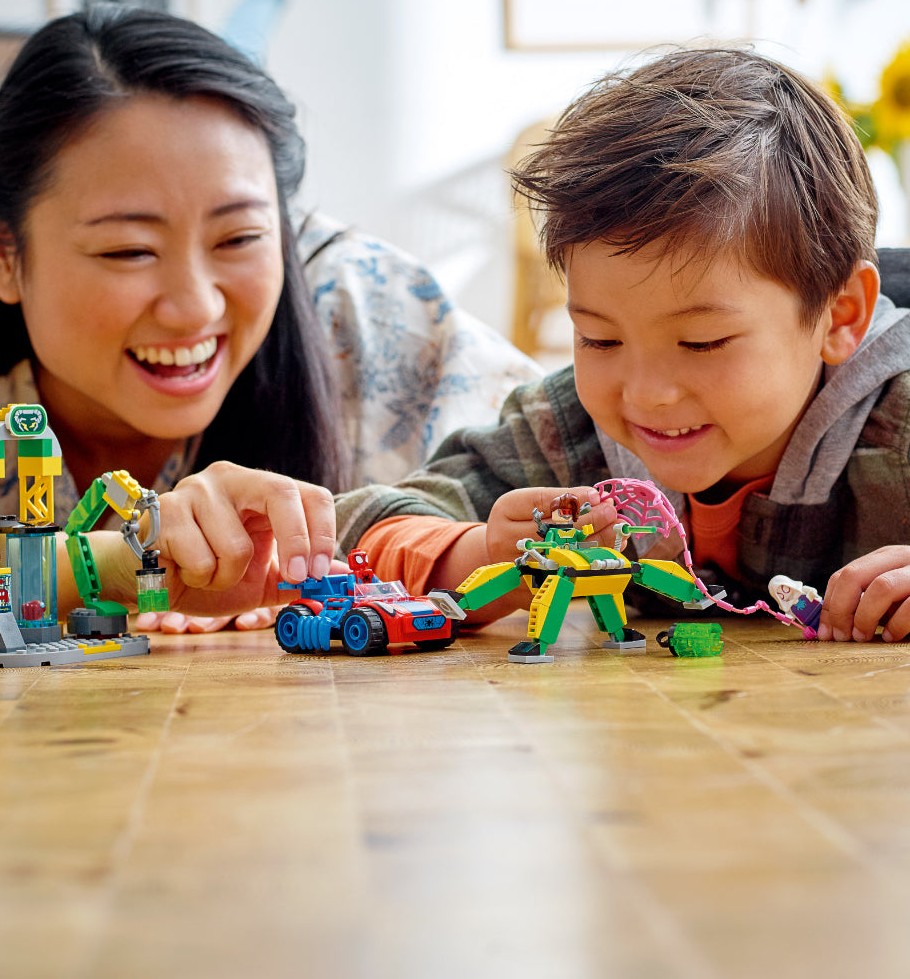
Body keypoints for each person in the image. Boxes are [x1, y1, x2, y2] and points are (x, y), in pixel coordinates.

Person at [0, 5, 540, 644]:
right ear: (4, 253)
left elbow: (589, 448)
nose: (195, 307)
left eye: (239, 237)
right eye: (129, 250)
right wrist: (116, 564)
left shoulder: (367, 311)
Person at [332, 45, 910, 649]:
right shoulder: (568, 435)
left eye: (702, 341)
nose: (646, 394)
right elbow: (361, 532)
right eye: (599, 338)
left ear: (840, 315)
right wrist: (484, 555)